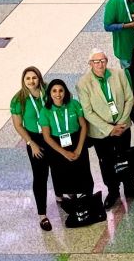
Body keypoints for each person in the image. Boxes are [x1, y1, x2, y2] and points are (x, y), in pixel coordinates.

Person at [78, 49, 134, 208]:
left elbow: (128, 98)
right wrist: (109, 129)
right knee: (106, 161)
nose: (100, 64)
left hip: (122, 126)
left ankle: (130, 187)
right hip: (101, 132)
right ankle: (113, 191)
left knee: (125, 156)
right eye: (96, 61)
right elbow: (88, 111)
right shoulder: (83, 84)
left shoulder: (119, 74)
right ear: (90, 64)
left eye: (103, 60)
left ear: (107, 61)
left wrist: (121, 122)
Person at [38, 78, 95, 209]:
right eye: (54, 91)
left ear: (65, 92)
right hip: (57, 144)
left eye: (61, 90)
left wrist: (79, 149)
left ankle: (87, 196)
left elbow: (83, 126)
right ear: (49, 93)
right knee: (62, 171)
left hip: (76, 139)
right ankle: (68, 196)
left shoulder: (74, 104)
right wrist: (64, 153)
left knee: (83, 169)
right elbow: (46, 137)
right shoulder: (45, 111)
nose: (58, 94)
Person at [11, 67, 54, 230]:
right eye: (28, 78)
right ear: (23, 80)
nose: (31, 81)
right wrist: (31, 143)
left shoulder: (48, 90)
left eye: (34, 78)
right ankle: (42, 215)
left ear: (39, 79)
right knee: (40, 175)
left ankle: (62, 197)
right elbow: (18, 125)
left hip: (52, 135)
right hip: (35, 139)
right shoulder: (18, 100)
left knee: (58, 169)